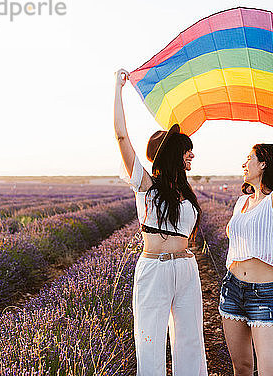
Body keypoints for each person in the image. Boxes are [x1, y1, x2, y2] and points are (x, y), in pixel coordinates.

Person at [114, 68, 208, 376]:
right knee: (150, 344)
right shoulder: (146, 186)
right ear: (171, 155)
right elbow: (121, 136)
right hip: (154, 269)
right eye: (186, 152)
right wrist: (118, 90)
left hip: (185, 269)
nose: (191, 156)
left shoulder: (185, 192)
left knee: (191, 343)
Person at [219, 81, 273, 376]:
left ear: (264, 164)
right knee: (241, 367)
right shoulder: (241, 203)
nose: (244, 163)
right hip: (232, 289)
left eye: (249, 158)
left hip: (264, 295)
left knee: (270, 372)